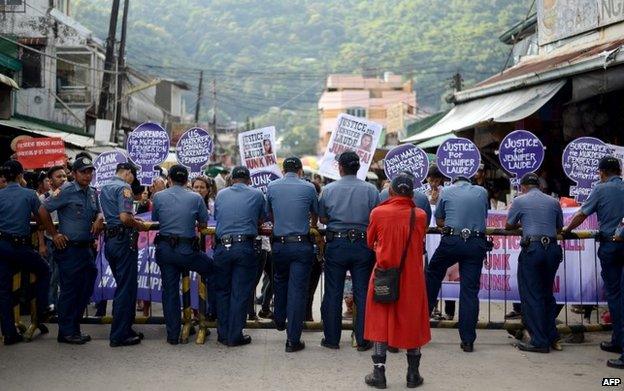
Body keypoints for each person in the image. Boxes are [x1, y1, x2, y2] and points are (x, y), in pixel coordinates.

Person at [364, 174, 431, 389]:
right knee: (412, 321)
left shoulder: (378, 213)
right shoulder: (419, 215)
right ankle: (413, 374)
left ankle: (379, 374)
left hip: (384, 274)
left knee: (380, 321)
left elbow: (369, 240)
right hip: (412, 278)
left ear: (390, 191)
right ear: (411, 194)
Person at [563, 156, 624, 368]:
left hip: (611, 247)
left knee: (616, 296)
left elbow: (581, 214)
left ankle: (622, 348)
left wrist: (566, 230)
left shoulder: (601, 189)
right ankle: (617, 341)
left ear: (602, 173)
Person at [319, 151, 380, 351]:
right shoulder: (371, 190)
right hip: (363, 245)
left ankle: (332, 340)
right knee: (363, 293)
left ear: (340, 168)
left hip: (336, 244)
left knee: (333, 293)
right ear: (358, 168)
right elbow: (376, 217)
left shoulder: (328, 190)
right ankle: (363, 340)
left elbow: (323, 219)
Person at [39, 157, 103, 345]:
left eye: (90, 171)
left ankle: (73, 328)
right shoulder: (66, 190)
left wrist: (99, 217)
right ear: (74, 174)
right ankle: (66, 332)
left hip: (86, 249)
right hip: (69, 249)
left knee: (86, 287)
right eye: (83, 171)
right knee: (69, 290)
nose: (88, 175)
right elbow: (43, 210)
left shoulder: (92, 192)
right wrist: (54, 234)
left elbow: (98, 211)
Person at [425, 174, 489, 353]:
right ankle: (468, 340)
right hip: (476, 242)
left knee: (432, 273)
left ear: (454, 182)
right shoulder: (482, 192)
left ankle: (422, 323)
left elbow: (438, 221)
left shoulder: (446, 192)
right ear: (470, 182)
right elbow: (483, 215)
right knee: (469, 290)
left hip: (452, 241)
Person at [152, 165, 213, 344]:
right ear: (187, 181)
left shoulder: (158, 197)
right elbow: (203, 222)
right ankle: (211, 318)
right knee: (214, 271)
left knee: (170, 292)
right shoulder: (195, 198)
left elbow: (156, 218)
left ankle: (172, 335)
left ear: (169, 179)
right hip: (187, 252)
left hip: (165, 251)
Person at [505, 173, 563, 353]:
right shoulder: (553, 202)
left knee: (532, 295)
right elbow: (559, 227)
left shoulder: (520, 201)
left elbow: (509, 225)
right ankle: (552, 337)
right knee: (547, 294)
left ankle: (539, 341)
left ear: (523, 186)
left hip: (533, 249)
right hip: (552, 249)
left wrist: (524, 225)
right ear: (539, 186)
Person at [266, 157, 319, 352]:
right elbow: (316, 212)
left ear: (283, 169)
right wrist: (312, 224)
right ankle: (293, 340)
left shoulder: (272, 186)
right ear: (300, 170)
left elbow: (268, 213)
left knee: (279, 281)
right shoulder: (308, 187)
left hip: (279, 245)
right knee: (297, 291)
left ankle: (279, 319)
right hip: (301, 245)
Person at [213, 166, 266, 346]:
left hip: (222, 246)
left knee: (222, 291)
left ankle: (222, 333)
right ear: (249, 180)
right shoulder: (257, 195)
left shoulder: (221, 194)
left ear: (232, 179)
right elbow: (261, 219)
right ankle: (235, 335)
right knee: (240, 292)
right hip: (244, 246)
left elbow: (218, 216)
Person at [99, 162, 150, 347]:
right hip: (123, 241)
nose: (132, 180)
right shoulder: (124, 187)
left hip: (111, 240)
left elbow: (109, 215)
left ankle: (126, 328)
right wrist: (139, 225)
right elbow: (125, 217)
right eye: (132, 176)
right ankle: (119, 334)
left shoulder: (105, 187)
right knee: (126, 289)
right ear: (128, 173)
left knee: (124, 285)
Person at [0, 160, 51, 345]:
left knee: (4, 291)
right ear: (21, 175)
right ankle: (42, 310)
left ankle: (9, 334)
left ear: (4, 177)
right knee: (44, 270)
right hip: (21, 247)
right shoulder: (29, 194)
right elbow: (42, 217)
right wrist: (49, 230)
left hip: (2, 246)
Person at [39, 166, 67, 313]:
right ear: (50, 181)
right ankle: (51, 305)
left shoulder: (69, 195)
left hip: (67, 241)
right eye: (59, 176)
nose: (63, 179)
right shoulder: (44, 199)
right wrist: (42, 244)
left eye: (65, 176)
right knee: (52, 274)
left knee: (64, 275)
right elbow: (39, 225)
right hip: (50, 240)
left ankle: (62, 305)